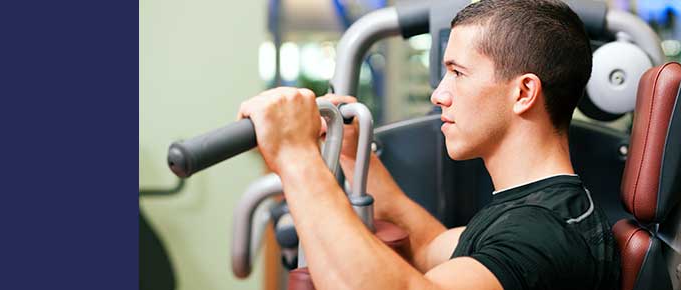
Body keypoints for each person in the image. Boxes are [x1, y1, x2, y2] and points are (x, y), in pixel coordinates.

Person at [236, 0, 619, 289]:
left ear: (523, 92)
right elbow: (427, 244)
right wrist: (352, 153)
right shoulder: (533, 208)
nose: (439, 95)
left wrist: (294, 155)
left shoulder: (543, 232)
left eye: (457, 73)